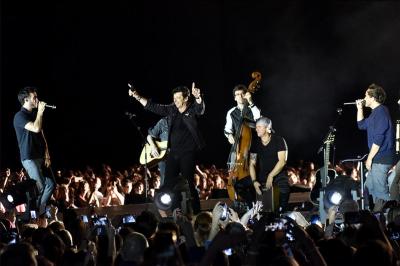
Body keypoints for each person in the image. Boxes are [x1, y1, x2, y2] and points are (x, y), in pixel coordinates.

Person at [129, 82, 205, 214]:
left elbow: (200, 109)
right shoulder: (172, 110)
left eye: (178, 98)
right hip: (173, 153)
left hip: (188, 153)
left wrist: (198, 98)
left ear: (186, 98)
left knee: (188, 183)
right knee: (169, 183)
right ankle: (176, 210)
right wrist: (137, 96)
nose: (175, 101)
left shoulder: (192, 109)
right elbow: (153, 107)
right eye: (174, 98)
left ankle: (197, 212)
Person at [13, 86, 55, 214]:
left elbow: (41, 133)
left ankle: (39, 211)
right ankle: (34, 212)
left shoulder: (33, 115)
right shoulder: (19, 116)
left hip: (40, 156)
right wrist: (40, 112)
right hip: (29, 157)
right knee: (40, 186)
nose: (37, 99)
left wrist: (47, 153)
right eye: (34, 97)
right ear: (26, 100)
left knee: (51, 184)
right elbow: (36, 128)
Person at [356, 83, 396, 210]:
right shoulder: (375, 114)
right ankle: (378, 214)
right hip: (377, 159)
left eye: (365, 96)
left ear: (373, 98)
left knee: (380, 192)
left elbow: (379, 139)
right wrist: (360, 108)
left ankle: (388, 217)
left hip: (382, 158)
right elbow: (361, 125)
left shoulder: (381, 112)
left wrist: (369, 158)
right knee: (369, 186)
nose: (364, 98)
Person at [249, 117, 290, 212]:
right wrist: (254, 181)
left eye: (259, 127)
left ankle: (281, 213)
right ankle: (252, 210)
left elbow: (282, 161)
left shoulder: (279, 140)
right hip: (261, 175)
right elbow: (252, 164)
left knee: (284, 189)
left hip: (278, 174)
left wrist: (271, 176)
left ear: (268, 128)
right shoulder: (255, 144)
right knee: (239, 185)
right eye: (256, 127)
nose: (256, 129)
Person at [147, 117, 169, 186]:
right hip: (164, 158)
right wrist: (153, 147)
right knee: (165, 180)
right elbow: (149, 136)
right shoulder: (164, 121)